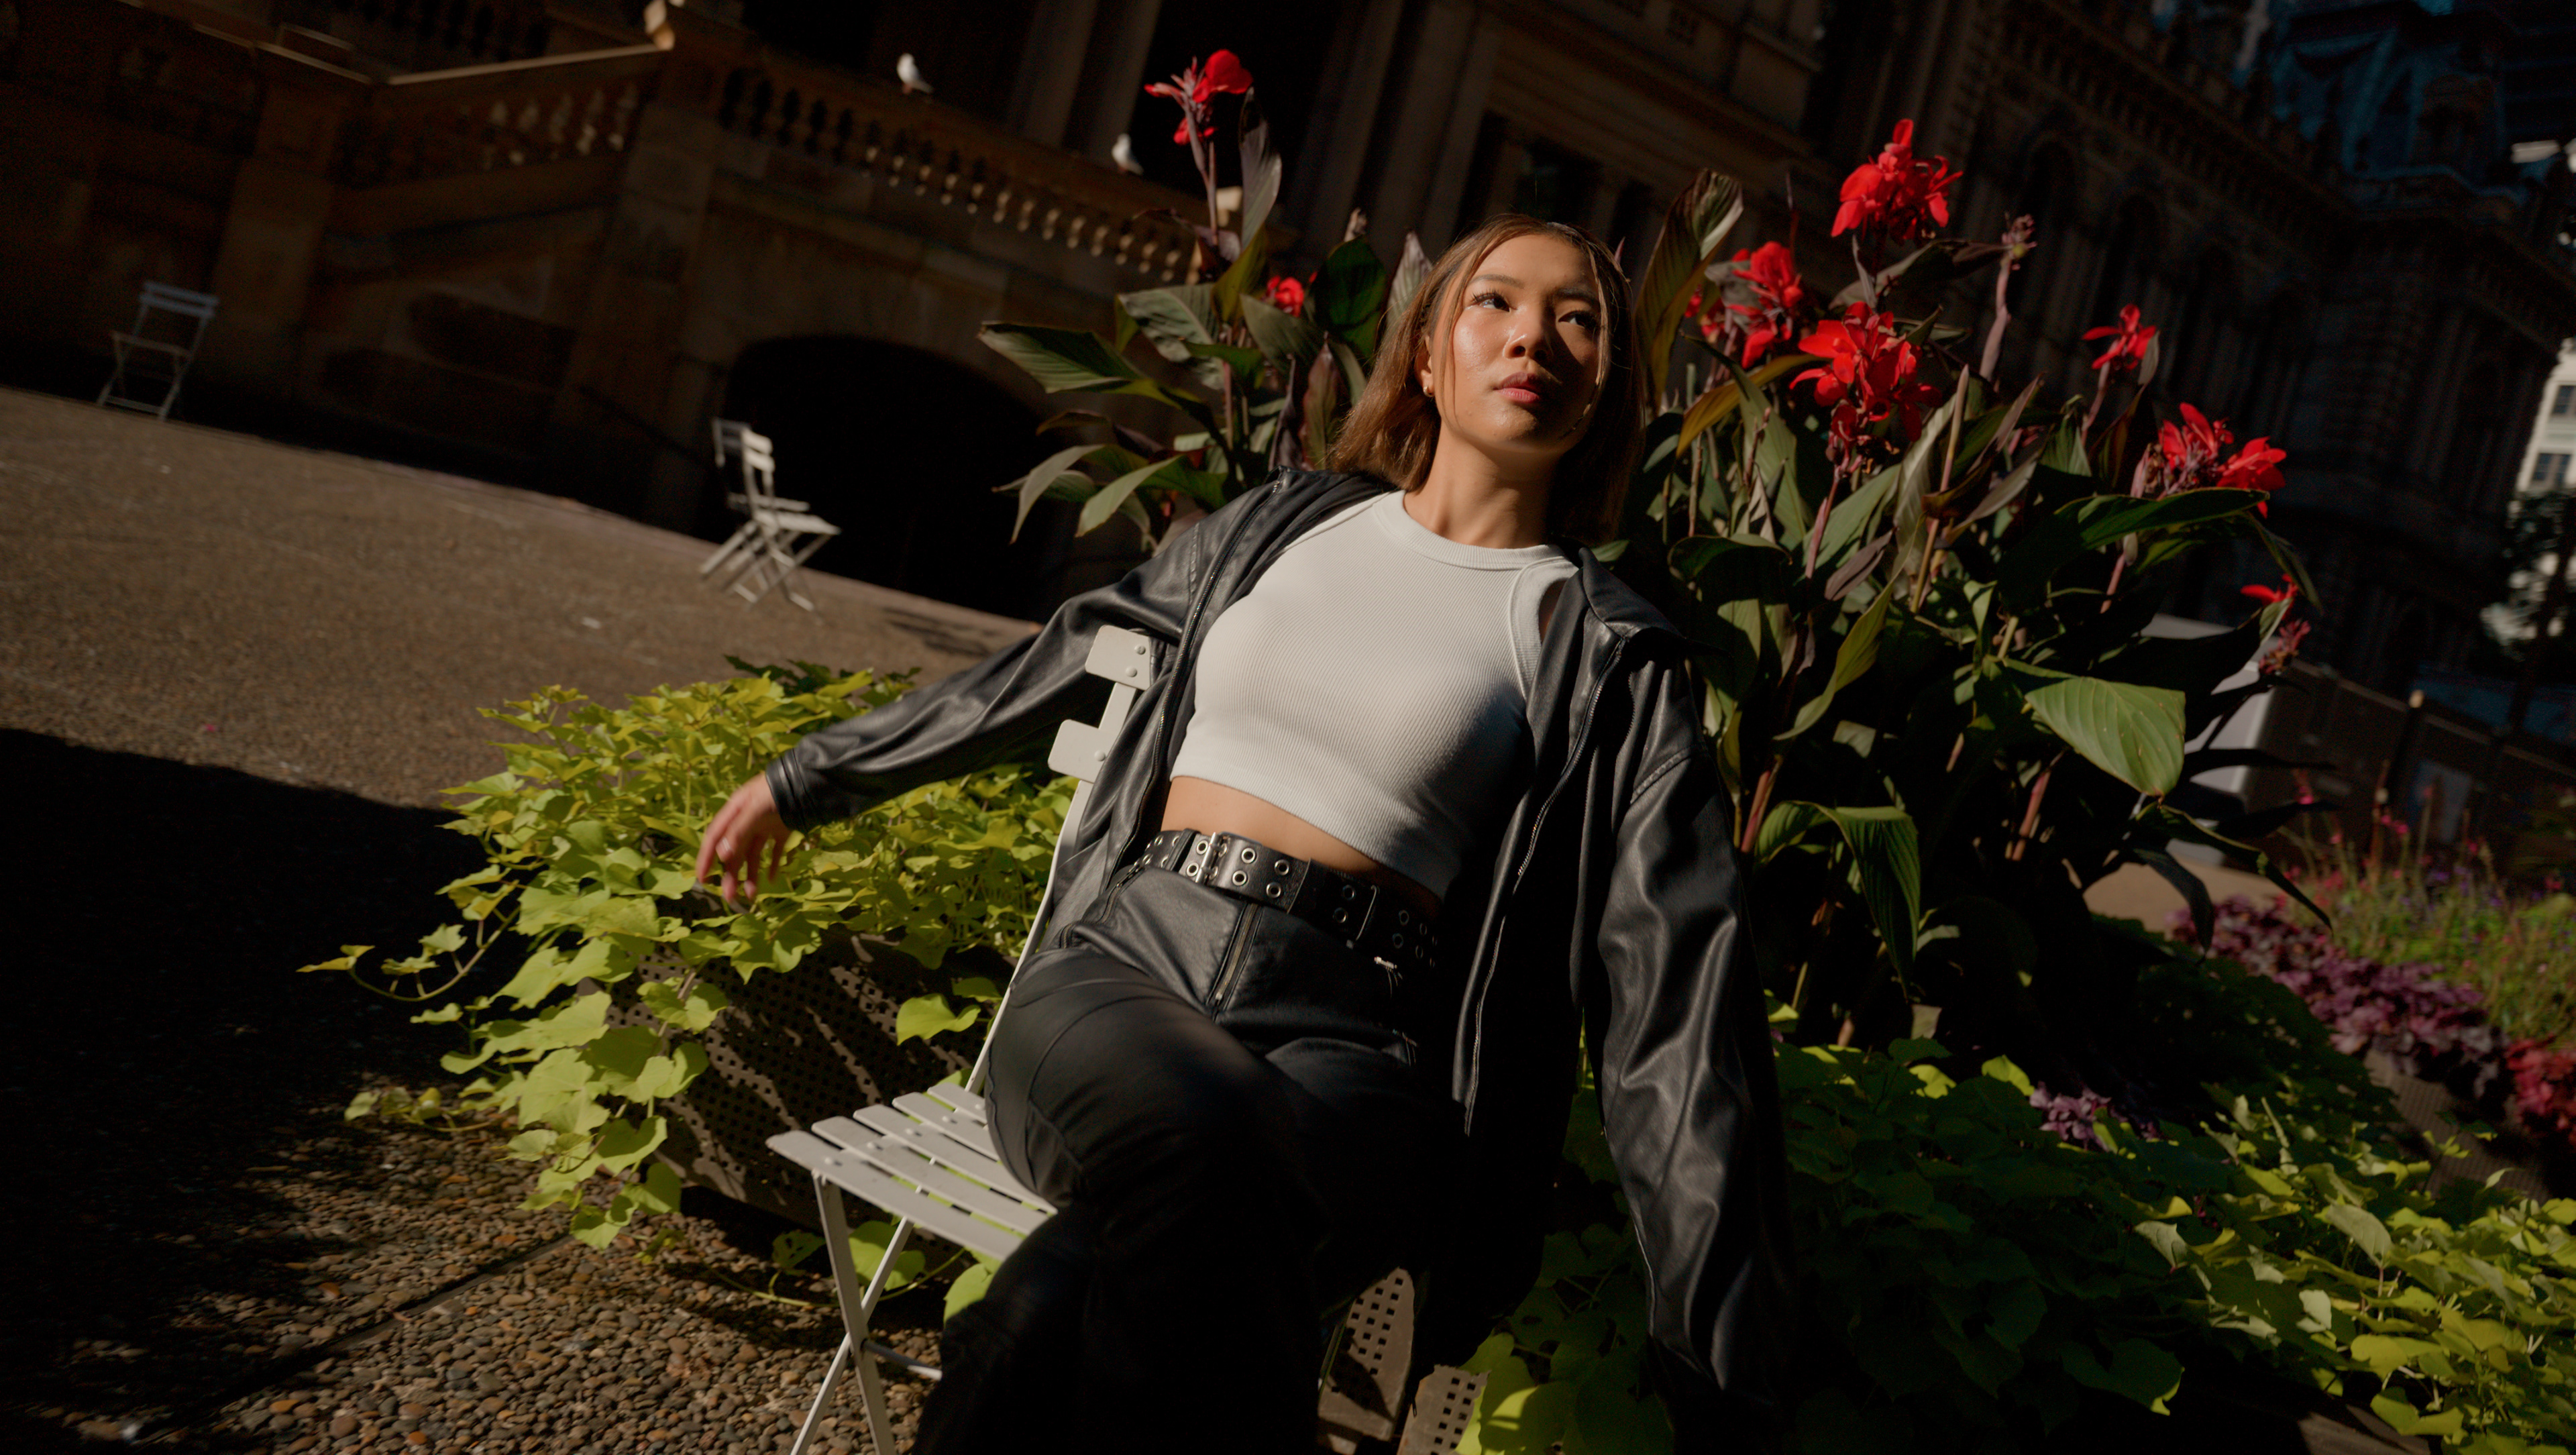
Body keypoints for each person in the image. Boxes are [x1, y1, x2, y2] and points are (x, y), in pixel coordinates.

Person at [695, 215, 1790, 1453]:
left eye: (1577, 317)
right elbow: (1061, 662)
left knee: (1046, 1312)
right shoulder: (1283, 526)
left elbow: (1681, 1022)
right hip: (1120, 975)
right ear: (1427, 354)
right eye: (1494, 301)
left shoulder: (1605, 652)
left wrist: (1727, 1395)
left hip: (1358, 1051)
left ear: (1607, 390)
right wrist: (814, 775)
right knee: (1212, 1140)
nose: (1533, 334)